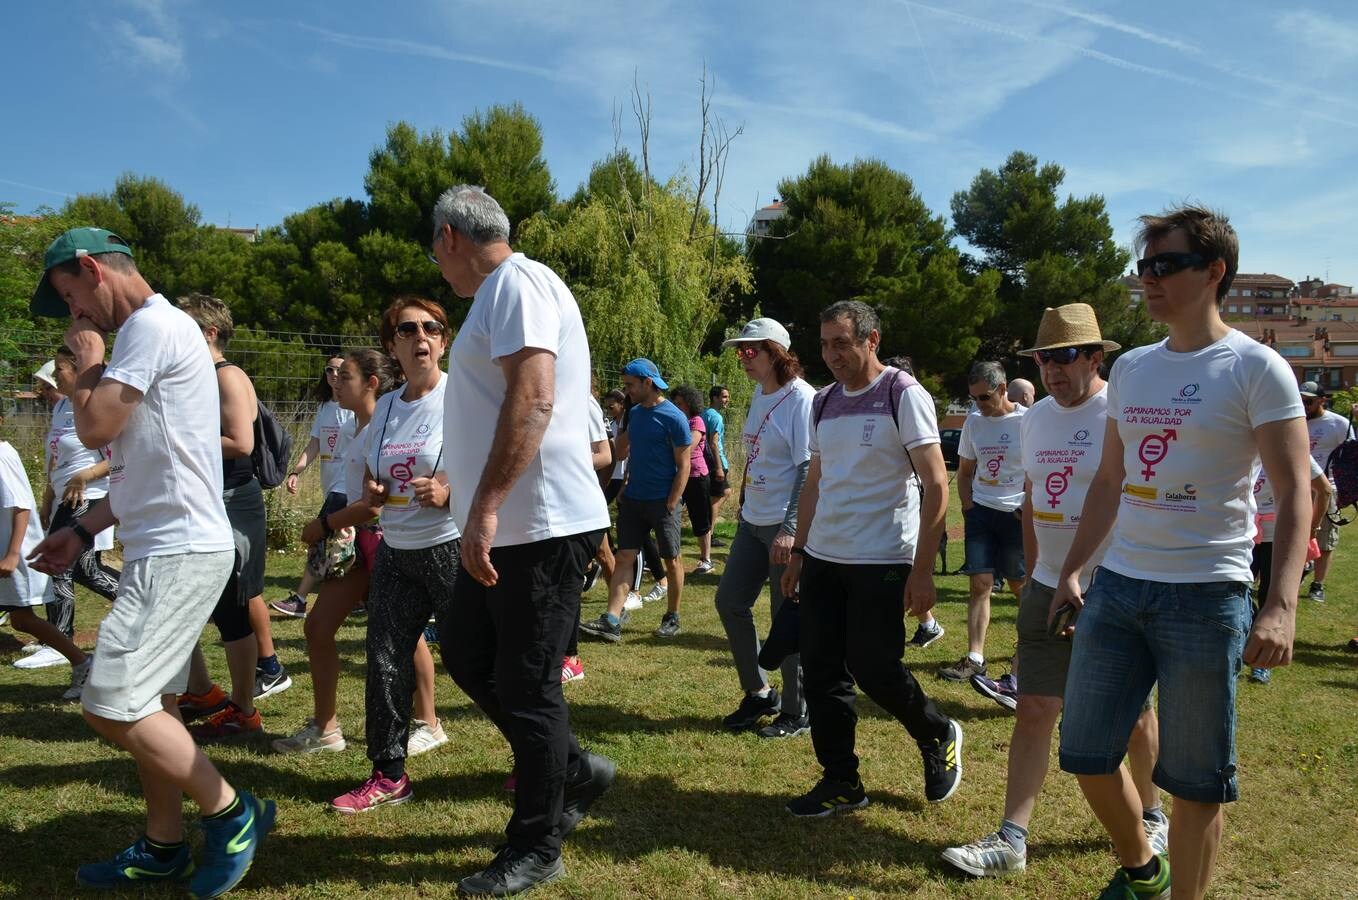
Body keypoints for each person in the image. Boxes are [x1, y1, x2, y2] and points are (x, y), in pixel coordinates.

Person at [1052, 206, 1308, 900]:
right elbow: (1110, 479)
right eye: (1144, 267)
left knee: (1197, 785)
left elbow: (1293, 494)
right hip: (1121, 584)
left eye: (1166, 266)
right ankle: (1143, 870)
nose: (1149, 281)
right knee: (1084, 752)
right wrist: (1074, 567)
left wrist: (1279, 605)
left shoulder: (1258, 369)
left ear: (1214, 271)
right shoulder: (1133, 369)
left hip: (1207, 595)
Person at [28, 227, 273, 894]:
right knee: (153, 707)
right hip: (166, 543)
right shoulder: (157, 333)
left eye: (70, 295)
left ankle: (232, 812)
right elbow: (144, 470)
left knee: (109, 705)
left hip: (179, 551)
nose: (74, 313)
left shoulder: (150, 328)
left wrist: (84, 367)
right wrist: (81, 532)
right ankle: (164, 843)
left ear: (91, 269)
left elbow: (95, 429)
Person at [942, 303, 1167, 877]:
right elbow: (1031, 500)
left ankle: (1153, 815)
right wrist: (1037, 576)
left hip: (1114, 586)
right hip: (1046, 587)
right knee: (1035, 708)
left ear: (1096, 356)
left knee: (1135, 715)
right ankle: (1011, 838)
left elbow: (1138, 494)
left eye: (1066, 357)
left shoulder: (1124, 409)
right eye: (1044, 358)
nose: (1054, 369)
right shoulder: (1034, 419)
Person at [435, 184, 615, 896]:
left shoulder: (516, 282)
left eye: (436, 250)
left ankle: (538, 842)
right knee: (469, 653)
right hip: (512, 527)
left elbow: (535, 395)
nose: (438, 265)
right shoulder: (503, 294)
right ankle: (571, 768)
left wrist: (485, 509)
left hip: (538, 524)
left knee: (529, 685)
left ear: (450, 236)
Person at [779, 300, 962, 817]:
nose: (832, 353)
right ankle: (841, 781)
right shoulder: (822, 401)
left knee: (875, 667)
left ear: (870, 340)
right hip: (824, 557)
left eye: (842, 342)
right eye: (824, 343)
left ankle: (937, 730)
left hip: (882, 555)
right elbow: (816, 481)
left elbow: (935, 483)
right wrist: (799, 552)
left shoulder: (902, 393)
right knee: (820, 673)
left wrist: (923, 570)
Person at [271, 349, 444, 755]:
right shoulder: (362, 426)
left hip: (379, 542)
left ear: (371, 383)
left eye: (344, 376)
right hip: (357, 544)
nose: (334, 382)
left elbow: (375, 503)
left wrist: (324, 525)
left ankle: (429, 721)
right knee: (319, 628)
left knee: (405, 634)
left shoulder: (382, 429)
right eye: (335, 375)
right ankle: (326, 728)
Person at [330, 297, 460, 813]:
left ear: (444, 341)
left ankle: (534, 756)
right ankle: (389, 774)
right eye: (408, 330)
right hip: (396, 549)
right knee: (383, 660)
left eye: (432, 328)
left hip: (450, 546)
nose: (421, 337)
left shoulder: (463, 396)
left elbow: (499, 457)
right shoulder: (384, 408)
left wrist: (451, 487)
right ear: (393, 345)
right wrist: (372, 493)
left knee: (476, 662)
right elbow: (368, 474)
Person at [173, 294, 290, 739]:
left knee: (231, 603)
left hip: (231, 500)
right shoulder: (199, 376)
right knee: (199, 600)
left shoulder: (228, 376)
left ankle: (243, 710)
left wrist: (176, 440)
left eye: (184, 328)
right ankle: (205, 692)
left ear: (208, 332)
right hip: (207, 497)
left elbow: (240, 442)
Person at [714, 317, 814, 738]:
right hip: (752, 519)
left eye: (750, 350)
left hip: (781, 527)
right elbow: (758, 455)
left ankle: (797, 711)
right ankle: (759, 692)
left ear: (777, 351)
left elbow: (808, 469)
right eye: (739, 351)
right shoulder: (759, 393)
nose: (743, 358)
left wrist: (791, 530)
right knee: (729, 602)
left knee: (784, 618)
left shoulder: (801, 400)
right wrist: (743, 499)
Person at [580, 358, 691, 641]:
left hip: (662, 501)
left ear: (648, 383)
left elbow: (684, 465)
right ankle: (612, 619)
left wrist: (671, 502)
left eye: (630, 385)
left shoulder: (674, 417)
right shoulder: (636, 414)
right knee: (624, 556)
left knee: (671, 559)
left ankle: (672, 616)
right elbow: (621, 451)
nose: (626, 390)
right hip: (633, 499)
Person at [25, 351, 119, 672]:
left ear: (80, 372)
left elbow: (117, 457)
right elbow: (55, 457)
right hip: (64, 499)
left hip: (87, 498)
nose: (54, 373)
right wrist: (47, 497)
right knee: (84, 570)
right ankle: (143, 607)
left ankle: (59, 639)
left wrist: (85, 476)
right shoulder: (63, 406)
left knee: (59, 567)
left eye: (60, 367)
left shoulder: (94, 407)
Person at [939, 361, 1026, 682]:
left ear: (1003, 389)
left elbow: (1038, 472)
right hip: (981, 513)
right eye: (973, 398)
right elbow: (963, 472)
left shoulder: (1028, 421)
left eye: (985, 397)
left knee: (1021, 587)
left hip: (1016, 514)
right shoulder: (974, 423)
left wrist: (1026, 507)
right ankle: (975, 657)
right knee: (980, 584)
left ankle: (1028, 652)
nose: (979, 405)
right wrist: (968, 506)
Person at [0, 425, 92, 699]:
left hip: (12, 551)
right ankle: (83, 663)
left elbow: (21, 506)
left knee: (22, 619)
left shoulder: (2, 454)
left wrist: (13, 554)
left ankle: (83, 663)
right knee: (21, 620)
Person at [271, 355, 356, 618]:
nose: (333, 374)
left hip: (346, 485)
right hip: (331, 483)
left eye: (340, 371)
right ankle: (361, 597)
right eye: (329, 370)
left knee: (321, 536)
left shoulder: (354, 407)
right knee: (354, 542)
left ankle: (300, 599)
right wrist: (297, 471)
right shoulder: (324, 408)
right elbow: (315, 444)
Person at [1247, 448, 1330, 683]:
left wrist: (1311, 528)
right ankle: (1242, 644)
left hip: (1277, 536)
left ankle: (1261, 664)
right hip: (1245, 534)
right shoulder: (1240, 441)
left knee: (1269, 596)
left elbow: (1323, 489)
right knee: (1236, 592)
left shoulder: (1291, 449)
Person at [1298, 380, 1350, 603]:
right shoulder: (1296, 421)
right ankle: (1302, 567)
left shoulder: (1339, 424)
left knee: (1325, 538)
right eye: (1300, 401)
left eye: (1308, 401)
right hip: (1299, 486)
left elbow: (1349, 459)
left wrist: (1346, 491)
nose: (1303, 405)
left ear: (1322, 401)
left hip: (1327, 488)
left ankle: (1317, 585)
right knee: (1294, 534)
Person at [669, 384, 715, 574]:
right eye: (675, 403)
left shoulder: (697, 422)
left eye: (680, 403)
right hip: (679, 475)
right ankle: (671, 555)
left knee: (700, 518)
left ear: (690, 404)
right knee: (671, 515)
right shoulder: (676, 422)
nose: (677, 407)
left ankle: (706, 559)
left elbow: (688, 445)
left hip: (696, 476)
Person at [705, 384, 731, 546]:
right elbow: (713, 443)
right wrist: (719, 467)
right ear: (715, 398)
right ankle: (710, 534)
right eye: (724, 397)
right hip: (716, 462)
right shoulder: (716, 417)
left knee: (726, 492)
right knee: (715, 499)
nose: (727, 400)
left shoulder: (704, 414)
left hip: (708, 462)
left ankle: (707, 526)